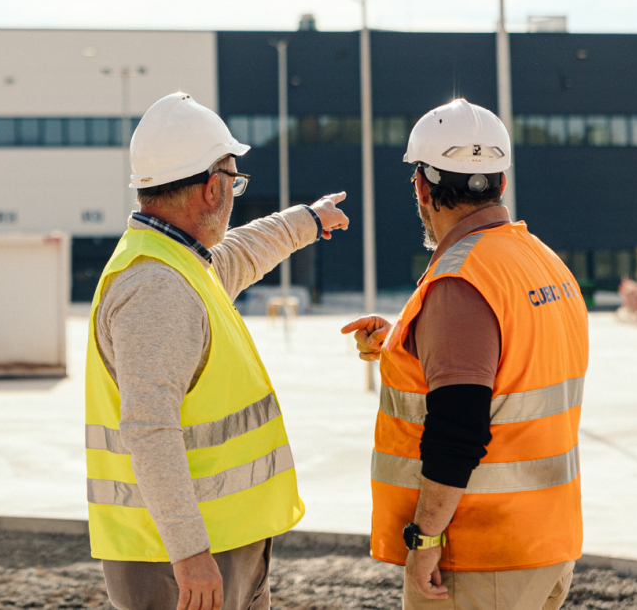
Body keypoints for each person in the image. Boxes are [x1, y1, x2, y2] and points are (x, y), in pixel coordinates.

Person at [84, 92, 349, 610]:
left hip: (214, 545)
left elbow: (238, 255)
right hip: (181, 562)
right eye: (234, 181)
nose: (233, 193)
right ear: (212, 189)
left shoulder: (179, 264)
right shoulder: (158, 287)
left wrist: (307, 221)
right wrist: (190, 553)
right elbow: (149, 428)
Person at [342, 98, 588, 610]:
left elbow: (459, 428)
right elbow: (510, 368)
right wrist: (405, 341)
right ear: (500, 181)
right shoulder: (539, 261)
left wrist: (425, 540)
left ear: (423, 187)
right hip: (545, 542)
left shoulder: (461, 280)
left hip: (479, 556)